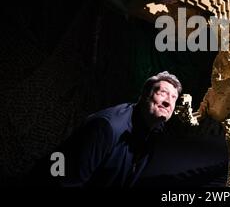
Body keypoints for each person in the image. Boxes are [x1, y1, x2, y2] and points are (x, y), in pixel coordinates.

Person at [38, 71, 182, 187]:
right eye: (162, 93)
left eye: (174, 97)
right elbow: (67, 182)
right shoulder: (107, 127)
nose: (168, 101)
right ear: (145, 95)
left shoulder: (155, 131)